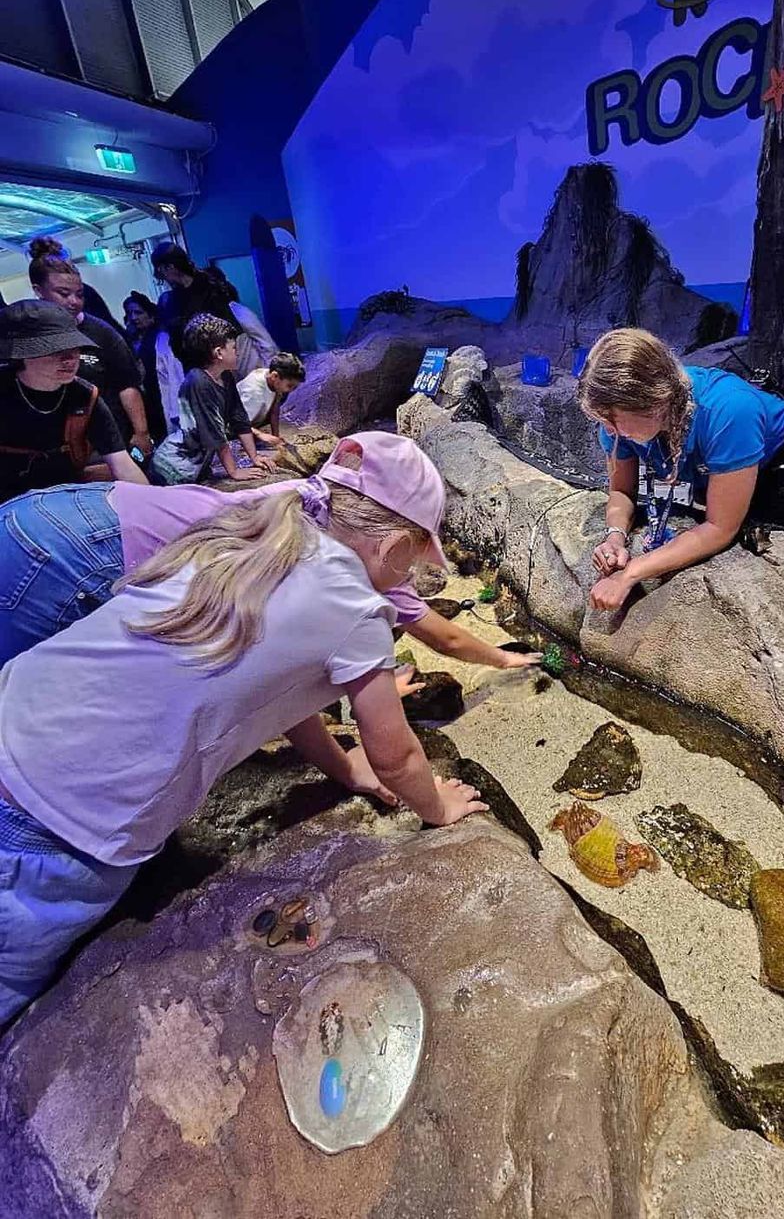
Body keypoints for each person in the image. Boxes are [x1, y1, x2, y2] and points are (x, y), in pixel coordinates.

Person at [0, 434, 489, 1023]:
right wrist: (436, 806)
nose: (412, 575)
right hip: (56, 824)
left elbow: (278, 697)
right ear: (394, 547)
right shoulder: (358, 610)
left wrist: (339, 764)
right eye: (415, 561)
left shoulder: (260, 534)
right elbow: (395, 756)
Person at [0, 447, 545, 674]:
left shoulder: (313, 501)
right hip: (81, 560)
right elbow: (442, 638)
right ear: (398, 540)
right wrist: (504, 661)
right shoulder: (346, 559)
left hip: (67, 510)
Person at [578, 328, 784, 612]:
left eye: (614, 421)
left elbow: (720, 528)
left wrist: (631, 573)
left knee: (755, 538)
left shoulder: (729, 410)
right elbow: (622, 491)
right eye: (602, 420)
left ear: (653, 403)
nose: (609, 431)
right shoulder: (618, 423)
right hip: (714, 461)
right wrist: (615, 536)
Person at [0, 301, 147, 504]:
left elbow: (122, 464)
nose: (70, 358)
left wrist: (153, 511)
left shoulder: (85, 396)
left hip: (65, 500)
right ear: (20, 354)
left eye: (74, 346)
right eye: (55, 349)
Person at [28, 238, 152, 461]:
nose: (74, 301)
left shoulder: (102, 333)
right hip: (55, 443)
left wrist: (141, 433)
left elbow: (127, 385)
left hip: (107, 440)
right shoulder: (26, 337)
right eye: (63, 294)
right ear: (38, 291)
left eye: (79, 294)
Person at [151, 314, 275, 485]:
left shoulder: (226, 376)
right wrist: (234, 471)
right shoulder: (198, 381)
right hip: (174, 464)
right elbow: (214, 431)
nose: (237, 352)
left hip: (198, 463)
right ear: (219, 353)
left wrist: (254, 457)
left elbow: (238, 417)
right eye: (233, 348)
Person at [151, 243, 278, 379]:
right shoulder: (174, 300)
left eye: (161, 272)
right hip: (211, 363)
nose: (163, 278)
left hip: (235, 349)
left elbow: (243, 321)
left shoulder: (211, 285)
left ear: (170, 267)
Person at [122, 292, 170, 443]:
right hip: (141, 398)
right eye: (130, 313)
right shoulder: (128, 339)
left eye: (138, 312)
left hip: (160, 394)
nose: (134, 317)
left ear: (150, 315)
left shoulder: (160, 338)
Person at [237, 351, 306, 448]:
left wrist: (276, 437)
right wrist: (260, 435)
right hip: (234, 427)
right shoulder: (253, 392)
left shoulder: (273, 381)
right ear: (274, 376)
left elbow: (275, 409)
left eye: (294, 388)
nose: (290, 391)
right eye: (289, 386)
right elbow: (237, 423)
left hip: (252, 422)